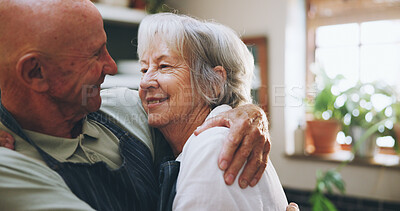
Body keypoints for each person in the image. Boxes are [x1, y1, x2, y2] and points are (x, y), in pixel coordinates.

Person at [0, 0, 273, 210]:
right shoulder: (8, 167)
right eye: (94, 55)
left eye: (163, 66)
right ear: (35, 72)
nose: (112, 66)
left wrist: (244, 111)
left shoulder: (127, 108)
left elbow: (199, 114)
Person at [137, 13, 288, 210]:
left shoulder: (215, 148)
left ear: (213, 83)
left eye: (164, 66)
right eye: (143, 69)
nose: (144, 82)